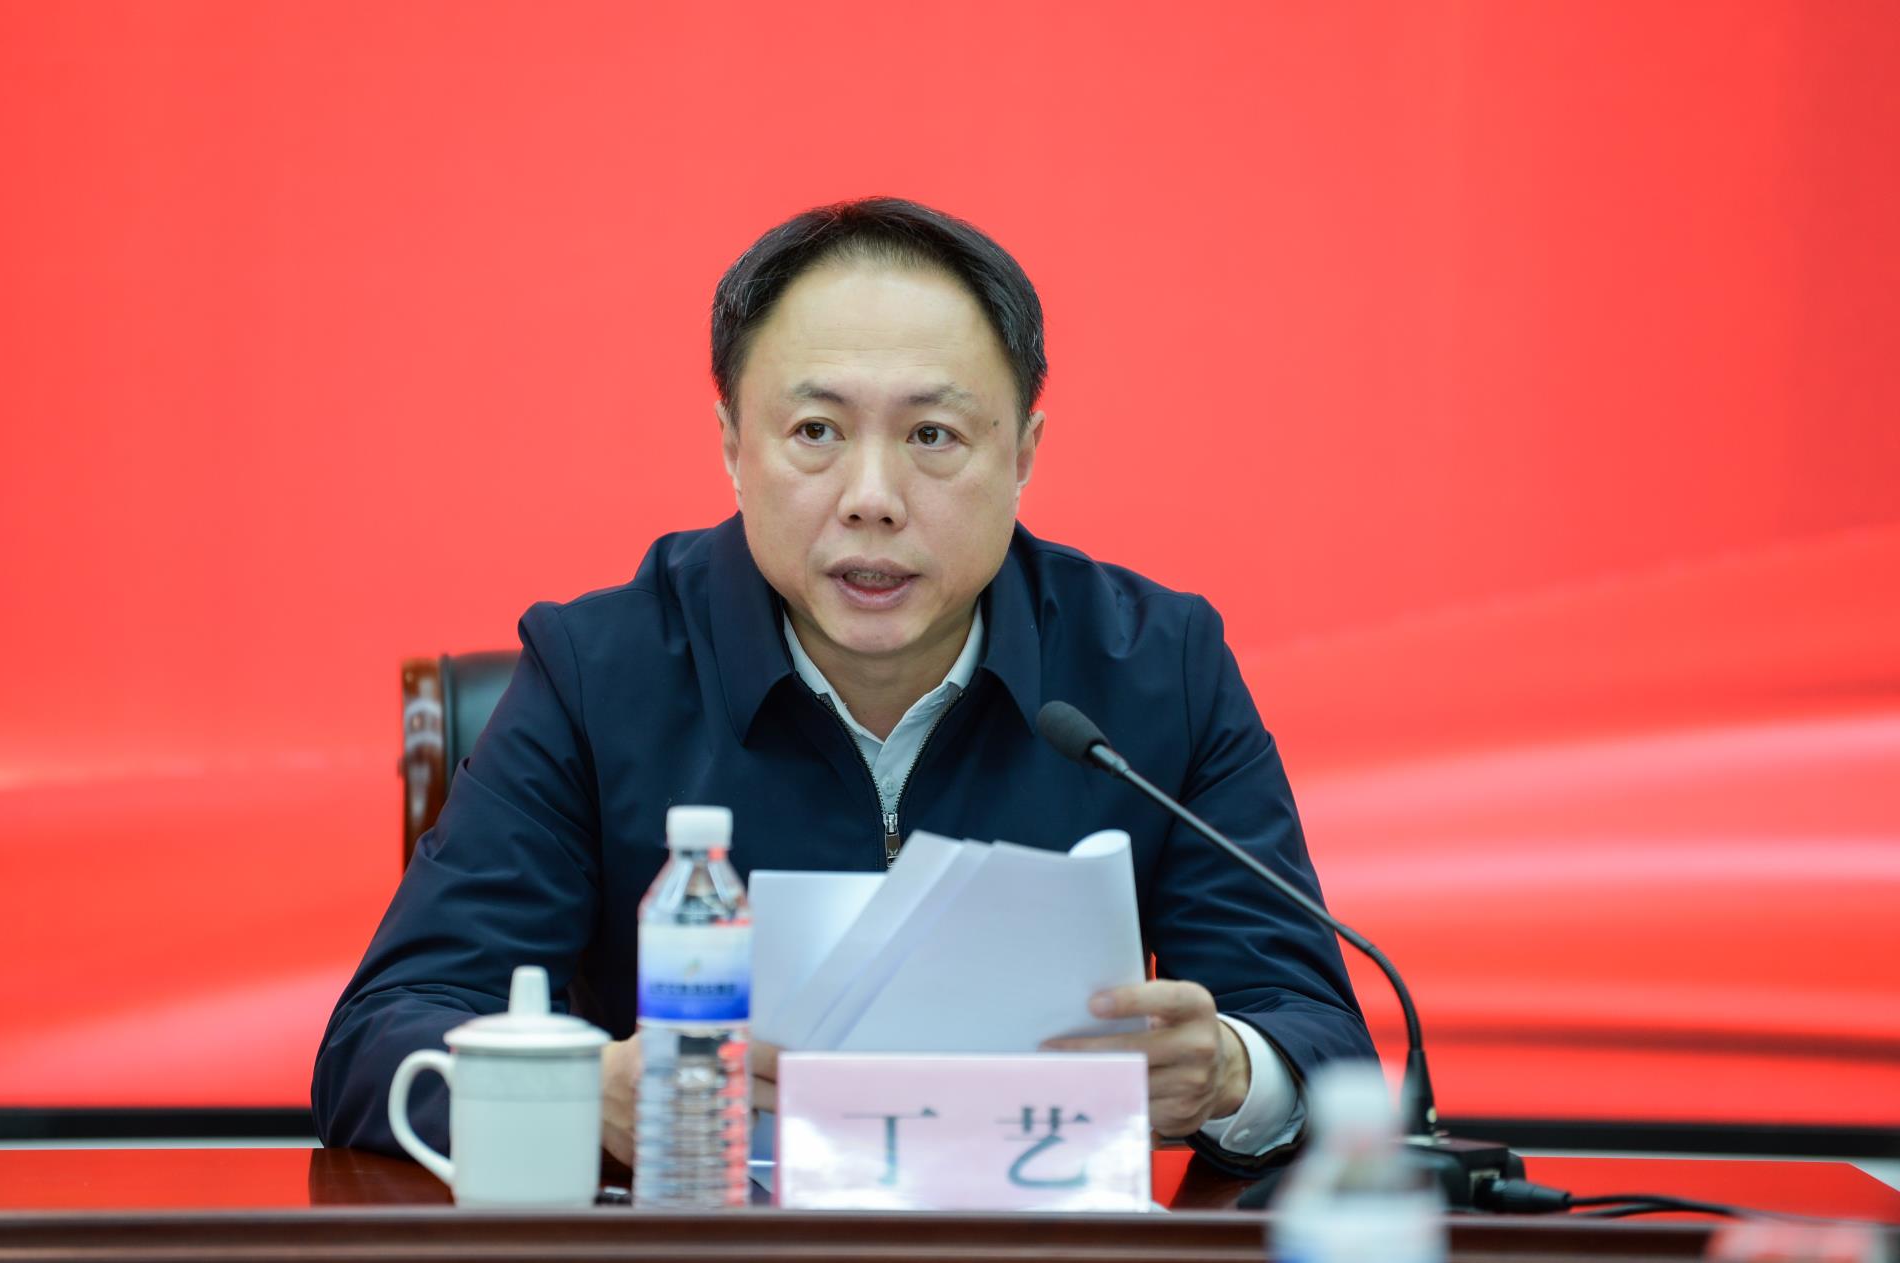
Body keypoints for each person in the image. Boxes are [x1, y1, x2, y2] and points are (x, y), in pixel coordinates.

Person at [313, 197, 1375, 1174]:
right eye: (815, 432)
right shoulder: (600, 672)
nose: (872, 497)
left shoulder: (1154, 668)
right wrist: (583, 1093)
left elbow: (1321, 1041)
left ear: (1023, 455)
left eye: (932, 436)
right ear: (733, 446)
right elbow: (380, 1039)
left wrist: (1230, 1072)